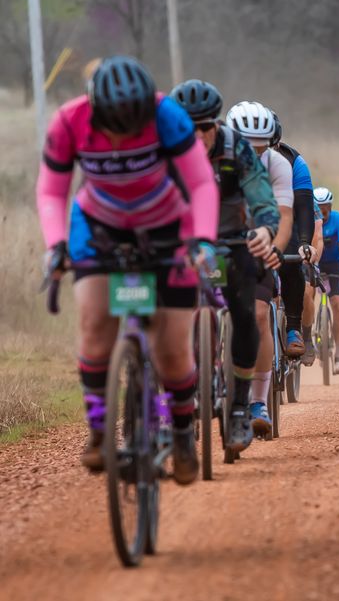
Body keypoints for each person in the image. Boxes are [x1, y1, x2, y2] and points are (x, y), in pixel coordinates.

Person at [37, 56, 218, 483]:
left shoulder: (166, 115)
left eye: (134, 124)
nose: (125, 132)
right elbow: (51, 190)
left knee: (174, 350)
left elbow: (201, 183)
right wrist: (55, 246)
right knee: (95, 324)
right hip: (98, 226)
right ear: (96, 110)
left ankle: (181, 433)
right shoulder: (69, 122)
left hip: (170, 226)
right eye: (116, 124)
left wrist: (204, 240)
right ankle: (99, 431)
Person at [169, 79, 280, 453]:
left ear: (216, 123)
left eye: (205, 126)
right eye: (188, 127)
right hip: (181, 239)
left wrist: (265, 227)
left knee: (247, 313)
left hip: (231, 238)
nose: (197, 135)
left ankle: (238, 407)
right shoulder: (164, 148)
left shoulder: (236, 147)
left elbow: (261, 193)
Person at [226, 101, 294, 436]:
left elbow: (285, 216)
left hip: (259, 245)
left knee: (258, 315)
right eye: (245, 147)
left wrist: (275, 250)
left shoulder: (278, 164)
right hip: (218, 240)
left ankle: (257, 401)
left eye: (259, 148)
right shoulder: (213, 158)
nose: (252, 155)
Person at [268, 109, 324, 359]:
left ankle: (293, 329)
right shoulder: (234, 159)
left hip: (285, 218)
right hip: (250, 221)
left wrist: (304, 243)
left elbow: (304, 207)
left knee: (291, 262)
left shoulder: (294, 161)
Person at [305, 188, 339, 374]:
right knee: (307, 296)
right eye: (319, 208)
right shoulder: (309, 221)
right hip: (315, 264)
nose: (322, 212)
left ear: (330, 206)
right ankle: (311, 333)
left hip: (336, 266)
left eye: (325, 208)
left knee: (338, 305)